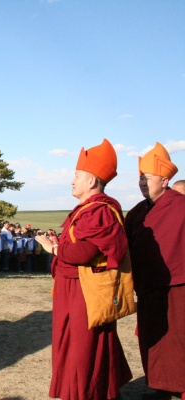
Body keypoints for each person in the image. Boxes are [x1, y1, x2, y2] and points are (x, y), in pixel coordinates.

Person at [35, 138, 132, 400]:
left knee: (84, 345)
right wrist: (60, 244)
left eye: (77, 175)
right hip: (73, 287)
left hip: (84, 290)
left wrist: (54, 249)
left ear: (92, 181)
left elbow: (87, 252)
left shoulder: (100, 210)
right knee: (76, 343)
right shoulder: (88, 209)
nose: (72, 180)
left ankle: (89, 392)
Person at [124, 142, 185, 400]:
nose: (141, 182)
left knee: (177, 340)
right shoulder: (139, 210)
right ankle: (161, 386)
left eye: (146, 177)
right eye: (139, 177)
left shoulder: (180, 206)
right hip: (148, 287)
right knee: (154, 339)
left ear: (164, 179)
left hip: (177, 285)